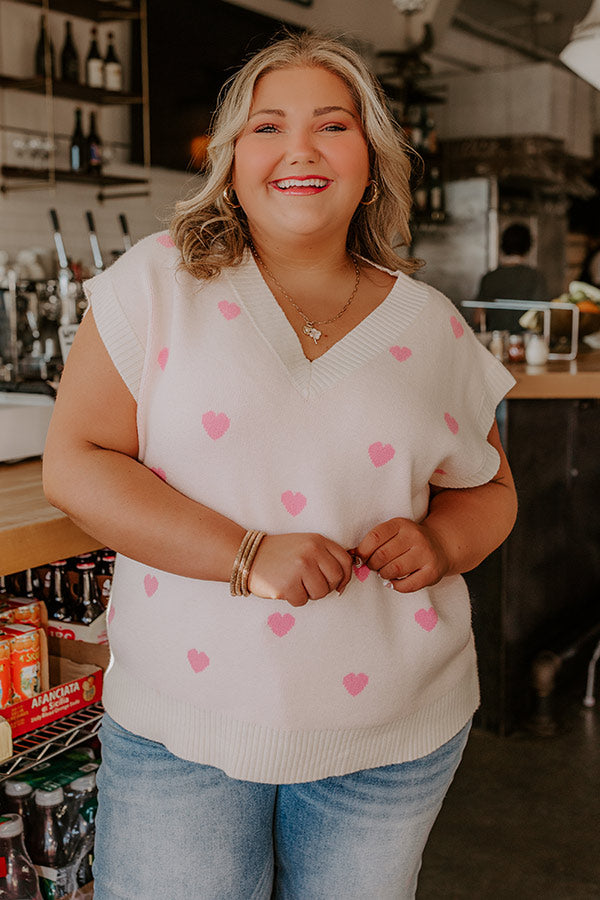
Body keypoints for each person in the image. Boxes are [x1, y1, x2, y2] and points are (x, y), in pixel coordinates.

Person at [43, 31, 518, 900]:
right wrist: (246, 555)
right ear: (230, 162)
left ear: (371, 161)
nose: (298, 147)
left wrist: (443, 546)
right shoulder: (155, 285)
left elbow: (488, 486)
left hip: (392, 733)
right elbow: (76, 462)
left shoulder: (433, 324)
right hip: (181, 726)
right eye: (267, 127)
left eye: (331, 125)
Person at [475, 222, 548, 333]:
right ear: (528, 246)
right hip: (526, 343)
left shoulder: (489, 278)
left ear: (503, 245)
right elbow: (541, 317)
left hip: (495, 342)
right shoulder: (535, 277)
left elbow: (478, 318)